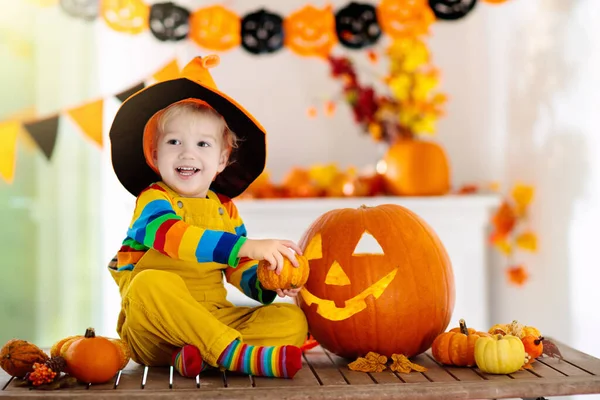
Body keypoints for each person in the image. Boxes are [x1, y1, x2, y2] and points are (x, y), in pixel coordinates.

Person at [107, 54, 308, 379]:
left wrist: (267, 281)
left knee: (292, 321)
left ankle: (195, 355)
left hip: (213, 317)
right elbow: (175, 236)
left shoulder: (225, 207)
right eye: (174, 142)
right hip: (152, 326)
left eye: (203, 143)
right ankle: (235, 354)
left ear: (222, 159)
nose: (188, 153)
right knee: (148, 283)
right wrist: (248, 247)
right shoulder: (154, 199)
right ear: (155, 155)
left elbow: (237, 267)